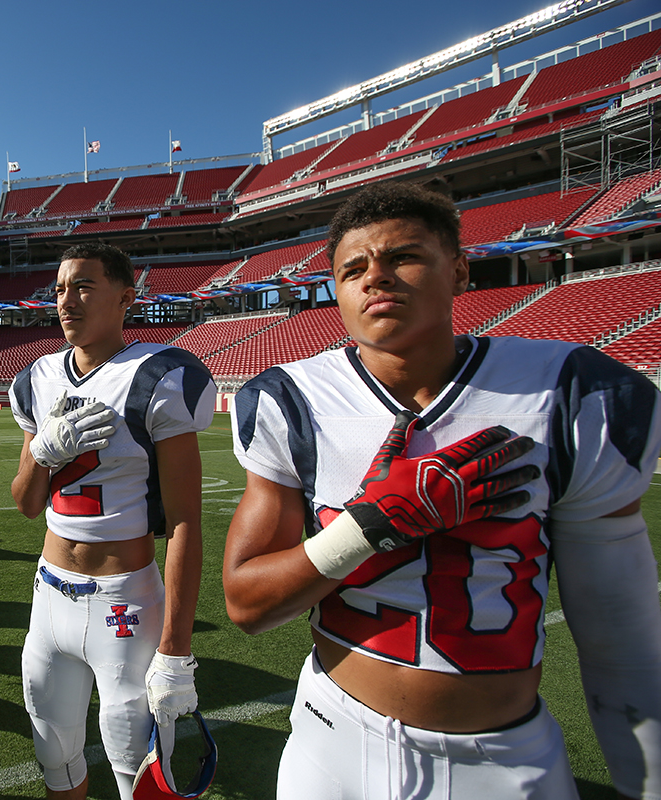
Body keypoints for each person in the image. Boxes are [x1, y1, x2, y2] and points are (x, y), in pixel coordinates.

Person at [223, 182, 661, 800]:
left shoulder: (565, 394)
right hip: (332, 739)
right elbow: (247, 604)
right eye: (352, 268)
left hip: (503, 761)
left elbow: (619, 634)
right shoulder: (293, 399)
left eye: (403, 256)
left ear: (458, 272)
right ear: (337, 294)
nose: (375, 276)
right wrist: (369, 526)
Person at [9, 242, 214, 800]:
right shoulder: (38, 378)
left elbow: (185, 523)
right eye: (58, 289)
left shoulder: (157, 376)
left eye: (82, 286)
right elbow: (26, 502)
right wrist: (42, 454)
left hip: (123, 600)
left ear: (125, 298)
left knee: (134, 769)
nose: (66, 301)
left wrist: (176, 650)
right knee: (55, 756)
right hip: (49, 594)